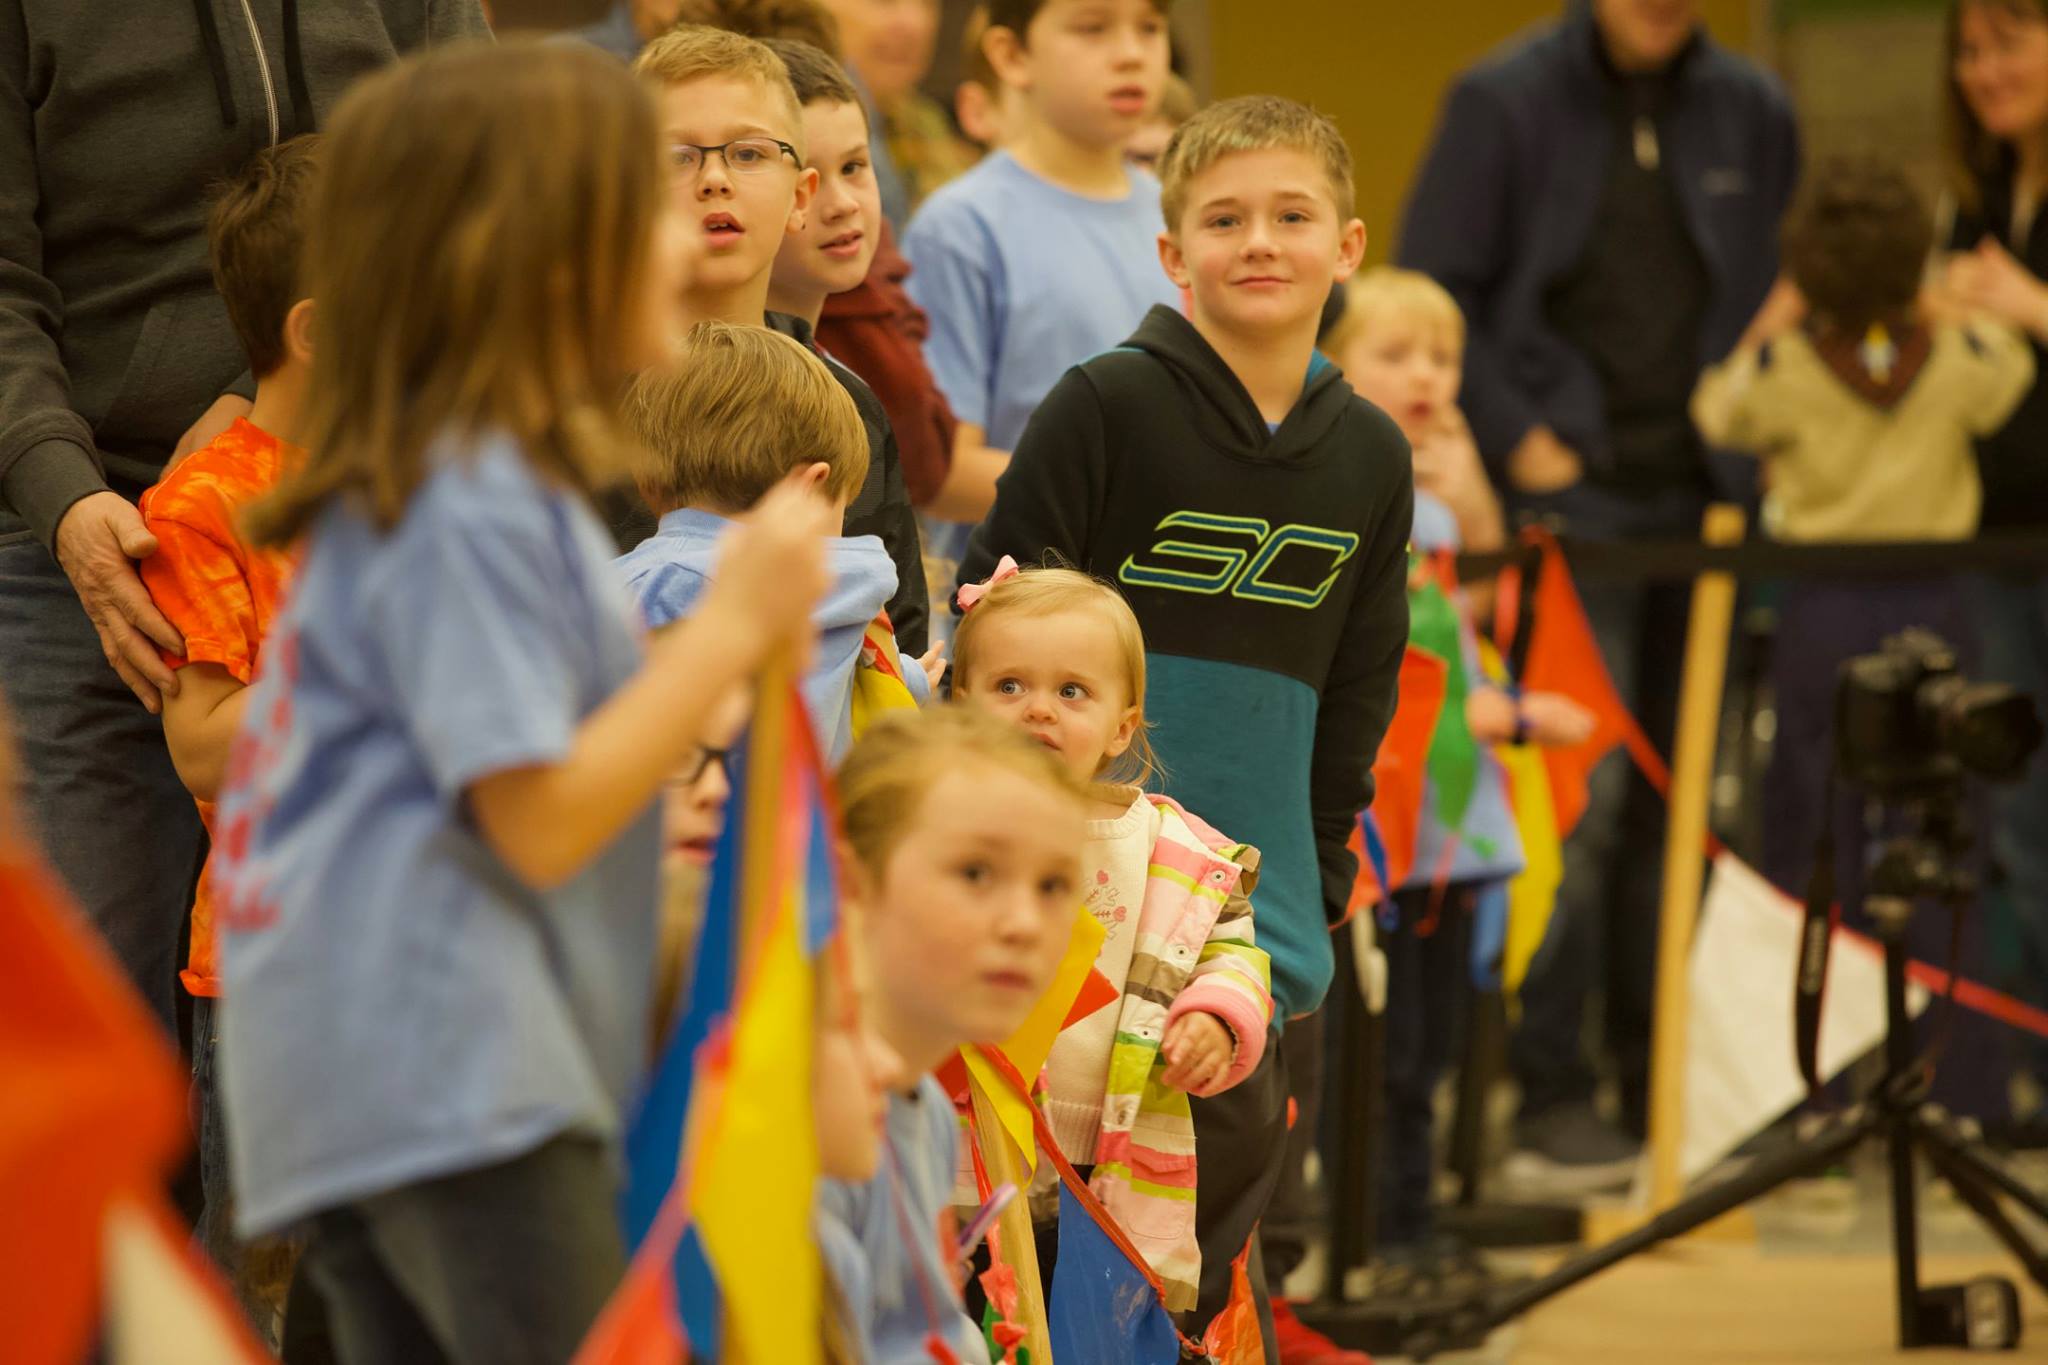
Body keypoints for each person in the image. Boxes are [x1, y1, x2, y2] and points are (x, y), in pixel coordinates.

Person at [209, 42, 837, 1365]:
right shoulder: (468, 499)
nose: (686, 233)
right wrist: (729, 625)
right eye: (642, 201)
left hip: (383, 1074)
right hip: (448, 1075)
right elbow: (536, 820)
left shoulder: (481, 489)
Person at [958, 94, 1409, 1354]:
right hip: (1070, 923)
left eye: (1290, 216)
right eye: (1222, 218)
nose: (1257, 241)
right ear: (1171, 254)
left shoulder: (1370, 453)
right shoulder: (1104, 404)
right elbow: (991, 642)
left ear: (1348, 245)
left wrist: (1313, 886)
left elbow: (1358, 692)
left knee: (1204, 1283)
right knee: (1037, 1269)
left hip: (1249, 942)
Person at [0, 0, 487, 1045]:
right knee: (100, 1023)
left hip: (357, 495)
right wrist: (63, 494)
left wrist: (256, 398)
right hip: (79, 544)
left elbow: (485, 188)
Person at [1397, 0, 1800, 1191]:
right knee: (1589, 794)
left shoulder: (1751, 107)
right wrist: (1518, 437)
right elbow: (1435, 288)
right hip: (1568, 515)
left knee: (1694, 805)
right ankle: (1553, 1088)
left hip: (1711, 504)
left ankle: (1664, 1076)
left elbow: (1771, 287)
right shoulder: (1500, 99)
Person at [1695, 156, 2032, 1122]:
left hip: (1822, 612)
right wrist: (1941, 305)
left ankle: (1827, 1092)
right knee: (1945, 832)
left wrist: (1773, 316)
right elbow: (2009, 378)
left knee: (1822, 841)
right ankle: (1961, 1084)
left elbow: (1717, 409)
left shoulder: (1789, 366)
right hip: (1940, 607)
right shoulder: (1955, 357)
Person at [1329, 267, 1596, 1305]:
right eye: (1395, 356)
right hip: (1388, 822)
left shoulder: (1436, 505)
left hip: (1448, 824)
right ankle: (1386, 1229)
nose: (1427, 377)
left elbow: (1470, 624)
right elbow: (1396, 665)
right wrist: (1503, 714)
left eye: (1441, 357)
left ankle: (1419, 1220)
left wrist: (1474, 490)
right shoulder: (1349, 491)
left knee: (1433, 1049)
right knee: (1387, 1051)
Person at [950, 563, 1273, 1309]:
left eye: (1071, 691)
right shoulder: (941, 824)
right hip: (970, 1158)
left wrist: (1216, 1018)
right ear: (961, 705)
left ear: (1121, 724)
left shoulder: (1170, 846)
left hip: (1113, 1162)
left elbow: (1232, 949)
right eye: (1009, 687)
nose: (1038, 711)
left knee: (1095, 1332)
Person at [131, 133, 321, 1341]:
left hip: (433, 953)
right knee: (267, 1283)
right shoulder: (205, 503)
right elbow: (205, 748)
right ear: (316, 331)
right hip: (275, 964)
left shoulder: (438, 473)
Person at [632, 24, 931, 653]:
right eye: (676, 156)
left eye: (748, 153)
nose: (714, 178)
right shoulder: (575, 409)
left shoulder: (846, 402)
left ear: (801, 197)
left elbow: (893, 648)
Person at [824, 704, 1093, 1364]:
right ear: (852, 879)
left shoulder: (924, 1110)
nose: (1025, 923)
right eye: (975, 873)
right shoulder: (812, 1112)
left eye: (1055, 884)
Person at [902, 0, 1178, 597]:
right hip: (1021, 612)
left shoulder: (1179, 217)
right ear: (1011, 55)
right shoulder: (962, 226)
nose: (1132, 53)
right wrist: (1144, 493)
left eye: (1151, 27)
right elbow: (944, 471)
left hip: (1166, 603)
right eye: (1092, 27)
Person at [615, 320, 941, 759]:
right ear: (811, 486)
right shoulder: (852, 598)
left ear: (645, 481)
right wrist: (912, 679)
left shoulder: (641, 588)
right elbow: (856, 676)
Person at [1942, 0, 2048, 1116]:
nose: (1980, 71)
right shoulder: (1973, 199)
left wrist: (2027, 307)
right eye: (1966, 53)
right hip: (1985, 545)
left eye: (2007, 43)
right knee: (2011, 822)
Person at [816, 0, 976, 226]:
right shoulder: (786, 125)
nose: (914, 24)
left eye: (928, 3)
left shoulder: (925, 120)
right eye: (885, 2)